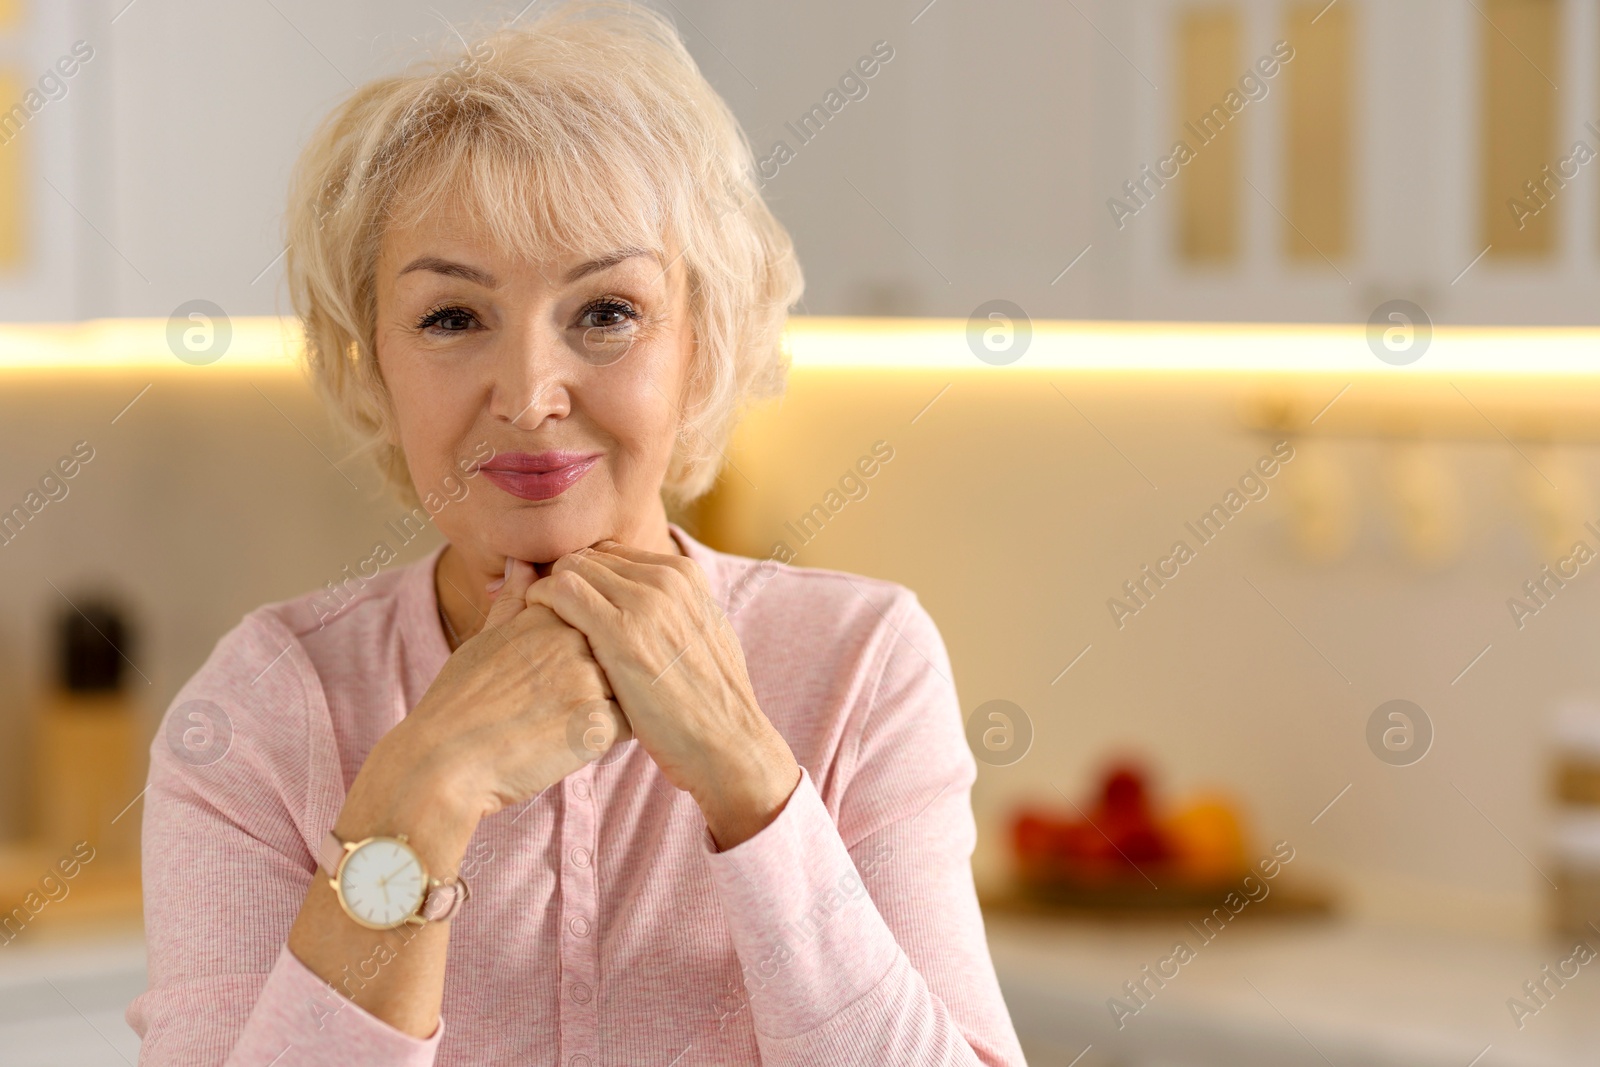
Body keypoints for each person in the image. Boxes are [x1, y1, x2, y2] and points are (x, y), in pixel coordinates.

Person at [127, 3, 1025, 1063]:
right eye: (454, 318)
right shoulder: (266, 705)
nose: (531, 394)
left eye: (605, 311)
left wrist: (749, 776)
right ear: (372, 358)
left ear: (702, 342)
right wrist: (424, 787)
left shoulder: (859, 664)